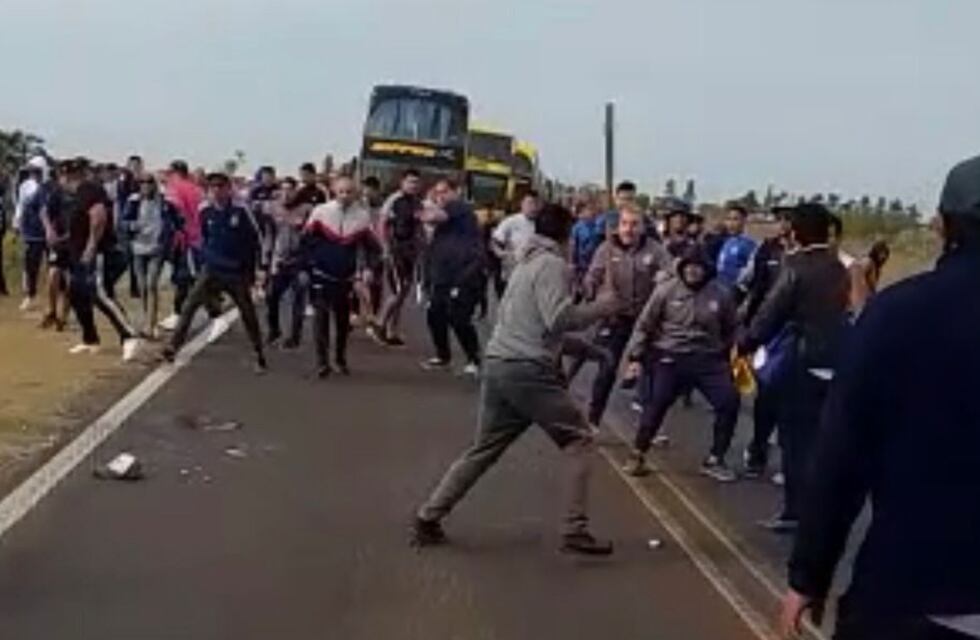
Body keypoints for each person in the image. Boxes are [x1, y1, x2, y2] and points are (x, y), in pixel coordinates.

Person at [780, 155, 980, 640]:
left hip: (914, 591)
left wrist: (809, 575)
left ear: (943, 225)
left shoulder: (898, 314)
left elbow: (840, 456)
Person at [411, 203, 622, 556]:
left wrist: (591, 352)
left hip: (500, 362)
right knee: (579, 441)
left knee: (484, 448)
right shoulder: (552, 265)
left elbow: (540, 328)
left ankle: (428, 515)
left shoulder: (525, 262)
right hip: (527, 370)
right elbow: (559, 319)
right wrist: (605, 306)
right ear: (567, 235)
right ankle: (575, 529)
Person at [738, 203, 850, 532]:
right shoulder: (839, 265)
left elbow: (770, 315)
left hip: (802, 361)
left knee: (796, 441)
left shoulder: (796, 266)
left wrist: (744, 343)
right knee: (823, 439)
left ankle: (796, 511)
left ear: (797, 231)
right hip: (838, 360)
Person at [622, 247, 740, 482]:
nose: (693, 271)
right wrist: (635, 357)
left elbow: (732, 328)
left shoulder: (720, 294)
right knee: (657, 401)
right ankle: (638, 453)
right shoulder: (666, 291)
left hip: (708, 358)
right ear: (682, 268)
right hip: (671, 355)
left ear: (706, 270)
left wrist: (735, 353)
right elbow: (644, 325)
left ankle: (716, 458)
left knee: (729, 402)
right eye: (688, 266)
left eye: (698, 267)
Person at [577, 205, 672, 427]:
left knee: (656, 373)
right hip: (615, 318)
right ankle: (593, 419)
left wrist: (664, 277)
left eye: (634, 224)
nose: (629, 229)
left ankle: (651, 425)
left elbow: (672, 273)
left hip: (646, 320)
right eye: (625, 224)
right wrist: (590, 289)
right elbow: (592, 276)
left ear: (642, 227)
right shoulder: (606, 249)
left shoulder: (655, 250)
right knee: (607, 367)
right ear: (618, 226)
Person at [162, 172, 266, 372]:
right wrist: (204, 260)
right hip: (212, 269)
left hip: (237, 271)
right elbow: (203, 238)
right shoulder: (205, 211)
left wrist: (256, 269)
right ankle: (173, 346)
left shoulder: (241, 211)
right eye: (212, 187)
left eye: (221, 186)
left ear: (228, 189)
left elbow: (256, 240)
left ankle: (257, 352)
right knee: (190, 305)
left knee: (247, 312)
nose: (217, 191)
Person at [60, 158, 141, 360]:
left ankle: (128, 335)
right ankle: (90, 339)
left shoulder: (89, 190)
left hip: (96, 253)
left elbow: (99, 217)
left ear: (68, 176)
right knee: (77, 295)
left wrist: (91, 246)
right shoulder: (75, 196)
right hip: (77, 253)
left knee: (100, 294)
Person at [300, 176, 377, 378]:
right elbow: (306, 241)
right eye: (341, 191)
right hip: (321, 273)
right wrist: (308, 266)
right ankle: (322, 362)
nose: (345, 196)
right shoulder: (321, 212)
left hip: (345, 277)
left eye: (349, 192)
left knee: (343, 322)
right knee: (321, 319)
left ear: (355, 193)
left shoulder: (362, 216)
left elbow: (372, 248)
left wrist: (368, 268)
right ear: (334, 191)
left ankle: (340, 358)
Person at [740, 207, 792, 478]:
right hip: (768, 332)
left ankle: (788, 461)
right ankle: (758, 450)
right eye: (781, 219)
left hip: (795, 335)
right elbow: (755, 288)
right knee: (767, 394)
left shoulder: (805, 255)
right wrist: (747, 329)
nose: (784, 225)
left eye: (789, 220)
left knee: (792, 399)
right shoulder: (767, 250)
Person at [419, 179, 485, 377]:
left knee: (459, 318)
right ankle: (443, 356)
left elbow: (432, 216)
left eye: (445, 192)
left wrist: (422, 207)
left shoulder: (460, 208)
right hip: (442, 274)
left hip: (463, 274)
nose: (441, 196)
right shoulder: (446, 219)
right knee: (435, 314)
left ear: (456, 192)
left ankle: (474, 359)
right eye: (437, 192)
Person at [123, 174, 181, 339]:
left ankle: (151, 324)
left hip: (157, 248)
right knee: (142, 287)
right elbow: (123, 221)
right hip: (138, 248)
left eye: (149, 182)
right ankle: (146, 319)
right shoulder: (133, 201)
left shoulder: (164, 202)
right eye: (142, 182)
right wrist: (133, 226)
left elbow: (178, 221)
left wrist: (173, 238)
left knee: (151, 284)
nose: (145, 185)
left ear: (154, 185)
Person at [374, 169, 423, 347]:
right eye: (410, 182)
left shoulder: (417, 202)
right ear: (402, 182)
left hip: (410, 251)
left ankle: (392, 330)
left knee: (403, 293)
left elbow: (419, 225)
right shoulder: (394, 200)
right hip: (395, 250)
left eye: (416, 182)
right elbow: (381, 223)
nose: (413, 185)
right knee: (398, 290)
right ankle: (379, 324)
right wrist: (384, 247)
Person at [161, 160, 205, 331]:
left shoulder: (176, 187)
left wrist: (174, 231)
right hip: (199, 238)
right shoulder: (196, 189)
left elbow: (173, 209)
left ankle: (181, 313)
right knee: (192, 276)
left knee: (183, 278)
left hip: (184, 239)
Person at [264, 177, 307, 349]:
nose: (286, 193)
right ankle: (274, 330)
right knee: (271, 296)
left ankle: (294, 336)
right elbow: (269, 235)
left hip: (300, 261)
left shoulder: (306, 209)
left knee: (299, 298)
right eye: (283, 189)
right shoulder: (273, 209)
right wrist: (266, 261)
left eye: (290, 189)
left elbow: (313, 236)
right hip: (279, 260)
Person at [13, 158, 47, 312]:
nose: (33, 173)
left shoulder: (49, 187)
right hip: (32, 233)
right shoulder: (25, 186)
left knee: (56, 267)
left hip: (50, 233)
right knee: (31, 265)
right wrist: (16, 224)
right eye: (31, 170)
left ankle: (60, 297)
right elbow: (20, 206)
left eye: (36, 170)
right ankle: (30, 295)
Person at [491, 190, 540, 291]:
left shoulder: (541, 224)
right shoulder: (511, 221)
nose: (533, 207)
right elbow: (495, 242)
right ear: (522, 204)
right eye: (530, 203)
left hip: (531, 275)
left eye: (536, 203)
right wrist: (503, 254)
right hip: (511, 273)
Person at [716, 204, 757, 290]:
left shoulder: (749, 244)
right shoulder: (726, 242)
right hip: (720, 291)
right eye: (728, 219)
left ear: (744, 221)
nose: (731, 223)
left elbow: (751, 273)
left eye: (735, 219)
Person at [569, 196, 603, 291]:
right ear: (581, 213)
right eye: (589, 209)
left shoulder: (599, 224)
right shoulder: (577, 228)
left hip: (596, 262)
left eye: (593, 209)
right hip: (582, 265)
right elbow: (573, 246)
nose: (592, 212)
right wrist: (572, 263)